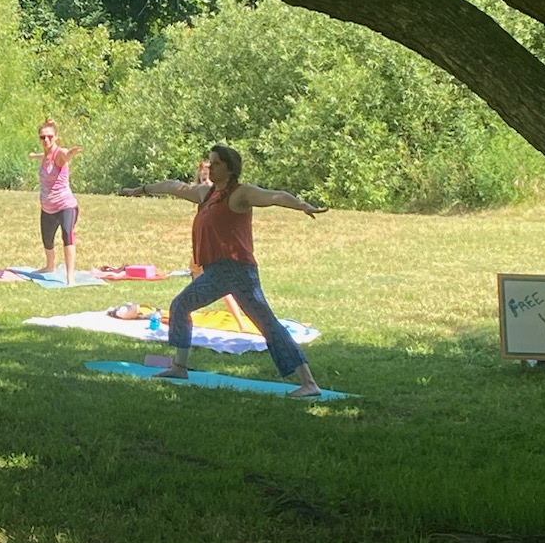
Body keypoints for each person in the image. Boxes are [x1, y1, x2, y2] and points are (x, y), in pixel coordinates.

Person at [120, 143, 327, 397]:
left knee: (267, 324)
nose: (210, 166)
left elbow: (276, 196)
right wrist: (139, 190)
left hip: (237, 270)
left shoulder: (241, 194)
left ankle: (308, 383)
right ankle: (179, 367)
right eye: (210, 162)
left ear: (230, 168)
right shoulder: (206, 194)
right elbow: (172, 186)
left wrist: (302, 205)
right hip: (216, 271)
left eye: (216, 163)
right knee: (181, 305)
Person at [29, 119, 82, 285]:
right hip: (47, 208)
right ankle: (49, 266)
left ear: (56, 136)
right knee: (47, 240)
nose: (46, 140)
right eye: (42, 137)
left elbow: (64, 155)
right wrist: (33, 156)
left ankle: (70, 277)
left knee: (67, 235)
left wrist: (70, 153)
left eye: (49, 137)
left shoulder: (59, 154)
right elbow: (42, 156)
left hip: (66, 206)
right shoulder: (45, 155)